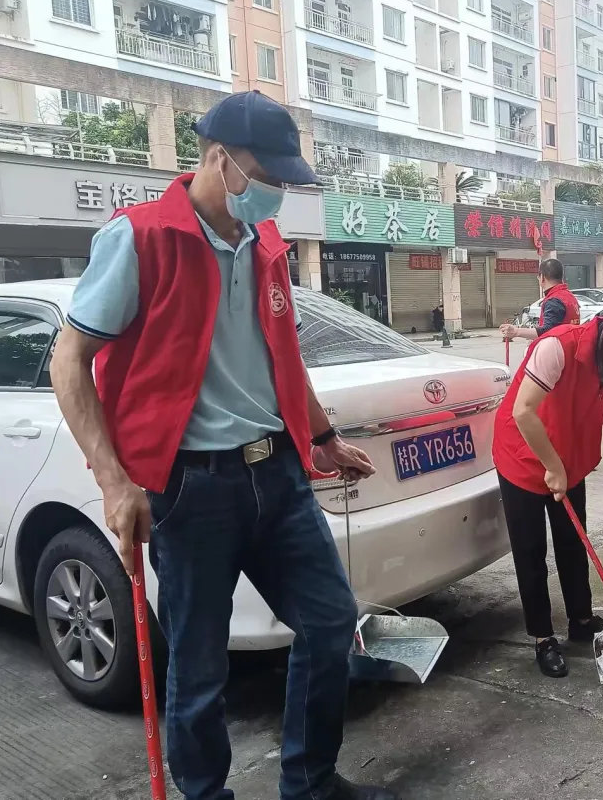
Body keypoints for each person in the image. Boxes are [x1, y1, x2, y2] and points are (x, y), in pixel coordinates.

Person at [50, 91, 397, 800]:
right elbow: (69, 361)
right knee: (201, 666)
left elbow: (281, 358)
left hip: (279, 477)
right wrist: (115, 482)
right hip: (190, 489)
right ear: (219, 160)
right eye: (267, 176)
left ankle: (310, 782)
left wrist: (322, 436)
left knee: (331, 622)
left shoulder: (265, 246)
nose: (276, 194)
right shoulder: (140, 239)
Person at [493, 294, 603, 677]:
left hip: (569, 458)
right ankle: (542, 636)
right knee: (531, 550)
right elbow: (523, 411)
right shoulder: (557, 347)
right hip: (522, 454)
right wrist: (552, 466)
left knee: (574, 541)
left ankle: (581, 620)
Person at [500, 258, 580, 341]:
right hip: (571, 344)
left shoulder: (554, 300)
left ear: (542, 277)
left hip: (559, 347)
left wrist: (516, 331)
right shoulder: (570, 297)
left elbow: (548, 331)